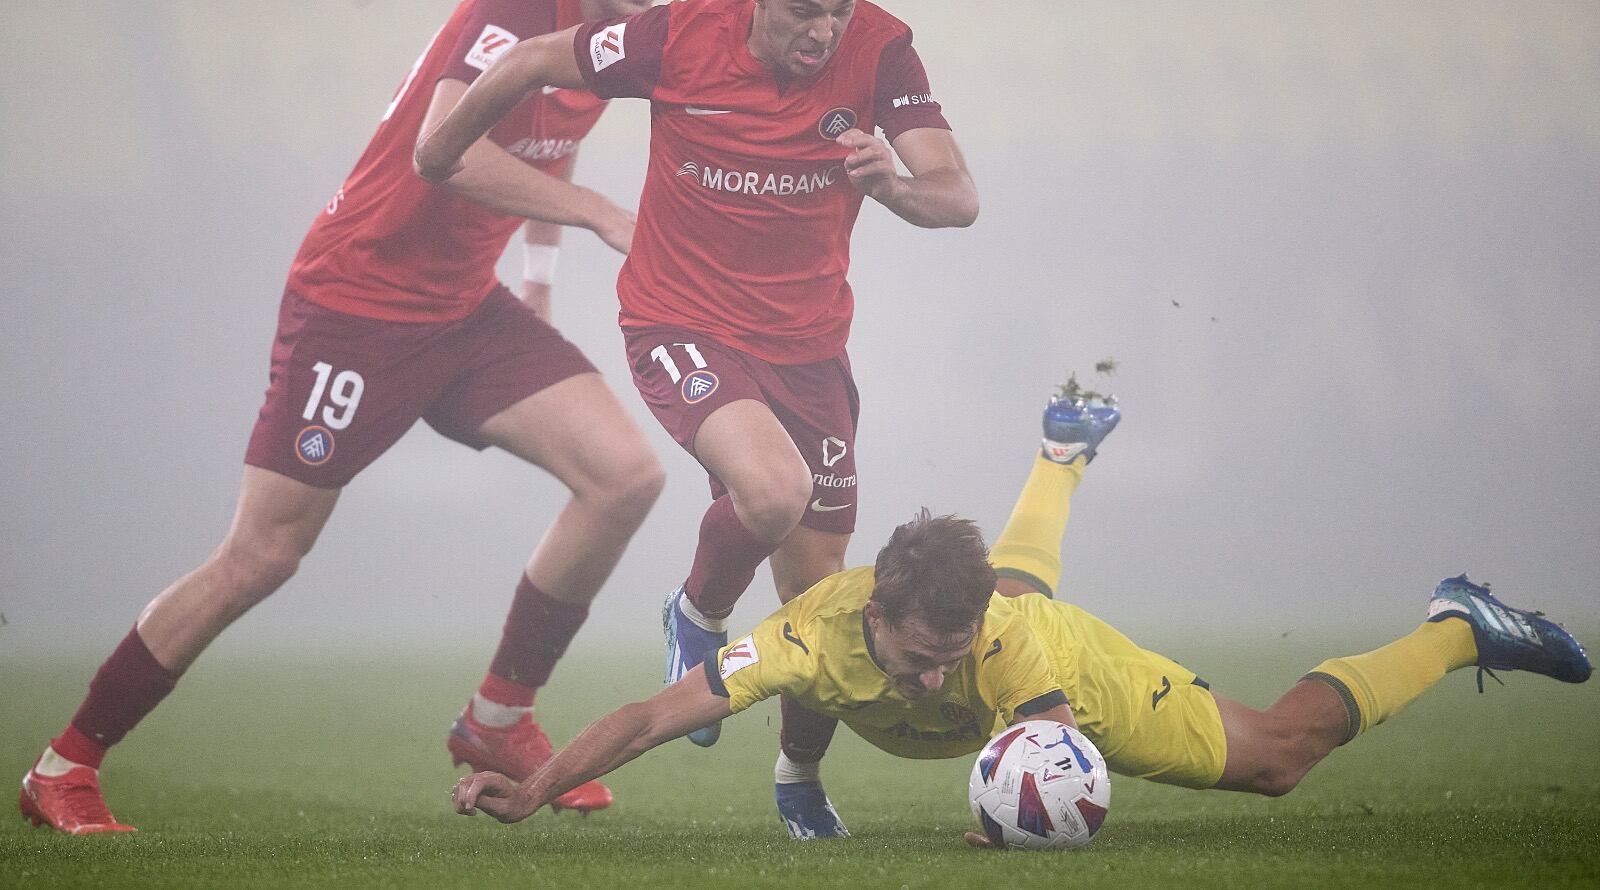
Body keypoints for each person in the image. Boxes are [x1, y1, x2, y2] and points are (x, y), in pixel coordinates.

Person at [18, 0, 696, 835]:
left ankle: (498, 717)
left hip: (465, 309)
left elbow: (547, 148)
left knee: (626, 476)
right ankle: (63, 765)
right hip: (360, 301)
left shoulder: (611, 40)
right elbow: (443, 154)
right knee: (263, 554)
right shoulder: (523, 3)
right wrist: (597, 211)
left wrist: (540, 283)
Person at [414, 0, 979, 833]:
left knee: (820, 602)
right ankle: (698, 612)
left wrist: (893, 186)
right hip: (681, 323)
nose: (823, 32)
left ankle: (798, 776)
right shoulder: (675, 39)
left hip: (809, 352)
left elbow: (956, 196)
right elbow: (528, 62)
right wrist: (439, 151)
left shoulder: (882, 50)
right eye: (803, 9)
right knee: (769, 492)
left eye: (839, 9)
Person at [448, 393, 1592, 840]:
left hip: (1078, 678)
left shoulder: (997, 645)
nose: (938, 680)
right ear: (877, 612)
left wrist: (999, 826)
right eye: (920, 656)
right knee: (851, 666)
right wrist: (535, 789)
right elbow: (653, 716)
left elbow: (1056, 761)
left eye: (952, 660)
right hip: (983, 617)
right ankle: (1058, 455)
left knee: (1281, 758)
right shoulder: (812, 628)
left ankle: (1457, 623)